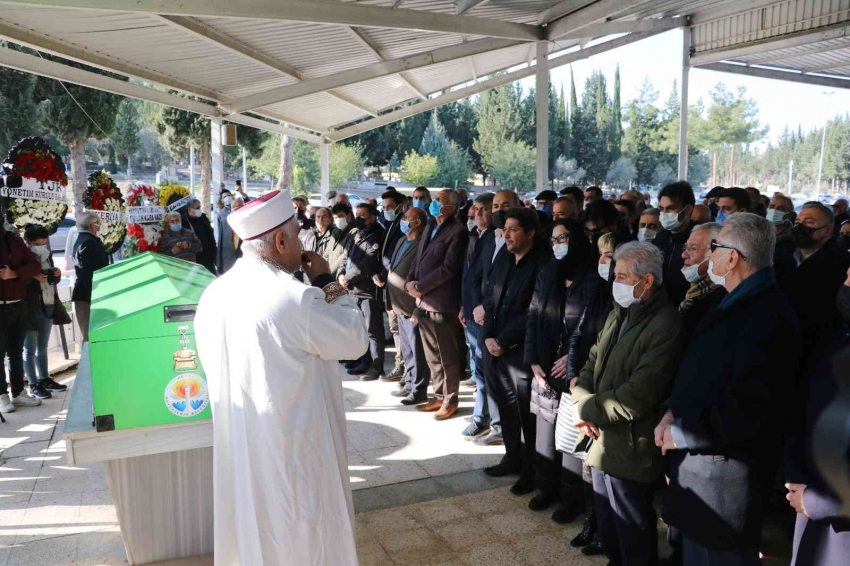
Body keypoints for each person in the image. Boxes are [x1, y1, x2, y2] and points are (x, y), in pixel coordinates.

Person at [194, 189, 368, 566]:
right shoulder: (297, 297)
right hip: (292, 448)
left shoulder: (214, 294)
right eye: (297, 235)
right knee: (302, 535)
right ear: (281, 239)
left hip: (243, 442)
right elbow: (355, 338)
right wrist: (326, 279)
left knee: (252, 533)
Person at [659, 213, 801, 566]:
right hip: (699, 475)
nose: (710, 256)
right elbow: (697, 373)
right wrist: (671, 412)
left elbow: (749, 409)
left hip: (723, 487)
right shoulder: (728, 300)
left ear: (733, 256)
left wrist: (681, 432)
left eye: (715, 248)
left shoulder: (769, 317)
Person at [573, 241, 685, 566]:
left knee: (632, 529)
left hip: (631, 447)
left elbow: (638, 396)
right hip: (600, 438)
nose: (615, 282)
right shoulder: (618, 313)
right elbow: (591, 362)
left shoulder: (666, 324)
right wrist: (583, 403)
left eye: (622, 276)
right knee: (609, 525)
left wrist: (585, 410)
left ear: (646, 281)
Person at [525, 218, 596, 517]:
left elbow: (593, 327)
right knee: (544, 436)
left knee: (568, 442)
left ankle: (571, 500)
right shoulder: (547, 271)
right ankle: (546, 488)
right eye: (554, 239)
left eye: (564, 238)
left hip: (571, 371)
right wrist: (532, 360)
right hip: (543, 366)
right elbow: (533, 315)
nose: (558, 244)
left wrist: (572, 358)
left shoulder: (592, 278)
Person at [481, 208, 552, 495]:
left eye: (513, 230)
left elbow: (535, 310)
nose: (506, 235)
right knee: (506, 410)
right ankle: (512, 458)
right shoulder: (505, 258)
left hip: (520, 351)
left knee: (526, 414)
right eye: (505, 230)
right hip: (494, 347)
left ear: (530, 233)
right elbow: (489, 297)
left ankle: (532, 471)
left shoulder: (542, 263)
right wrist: (487, 336)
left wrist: (504, 339)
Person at [568, 232, 617, 557]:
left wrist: (591, 404)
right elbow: (581, 338)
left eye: (610, 256)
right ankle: (592, 523)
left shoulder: (626, 301)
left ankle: (605, 532)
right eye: (600, 255)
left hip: (606, 399)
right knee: (587, 466)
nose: (604, 262)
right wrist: (575, 382)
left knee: (606, 473)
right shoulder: (598, 293)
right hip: (585, 392)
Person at [406, 189, 467, 420]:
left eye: (440, 201)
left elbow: (449, 269)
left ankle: (451, 400)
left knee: (447, 355)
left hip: (442, 303)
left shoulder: (458, 231)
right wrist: (411, 281)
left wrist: (421, 286)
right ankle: (439, 395)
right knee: (432, 355)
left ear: (452, 207)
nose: (434, 203)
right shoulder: (431, 225)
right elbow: (418, 258)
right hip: (423, 303)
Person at [471, 189, 521, 446]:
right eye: (497, 206)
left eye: (506, 205)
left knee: (505, 385)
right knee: (485, 374)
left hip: (504, 324)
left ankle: (503, 429)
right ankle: (494, 425)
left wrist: (486, 309)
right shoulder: (489, 237)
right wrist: (473, 306)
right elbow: (477, 275)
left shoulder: (521, 243)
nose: (500, 210)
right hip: (482, 318)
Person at [460, 193, 496, 438]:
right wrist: (464, 305)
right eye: (476, 210)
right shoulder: (475, 235)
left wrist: (482, 307)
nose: (479, 214)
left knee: (486, 369)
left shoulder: (496, 237)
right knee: (478, 367)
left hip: (486, 313)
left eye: (485, 210)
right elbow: (468, 275)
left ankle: (484, 418)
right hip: (471, 311)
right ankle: (482, 416)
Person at [386, 207, 430, 405]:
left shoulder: (422, 244)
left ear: (417, 222)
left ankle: (419, 388)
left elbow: (421, 275)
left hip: (411, 306)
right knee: (407, 349)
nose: (402, 220)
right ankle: (410, 383)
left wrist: (417, 308)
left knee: (417, 349)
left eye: (406, 217)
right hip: (397, 304)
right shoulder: (402, 240)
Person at [338, 203, 385, 382]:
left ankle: (376, 365)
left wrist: (347, 278)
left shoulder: (376, 235)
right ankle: (364, 361)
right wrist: (342, 274)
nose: (358, 217)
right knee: (360, 330)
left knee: (372, 330)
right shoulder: (357, 233)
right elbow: (347, 257)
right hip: (353, 290)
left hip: (367, 290)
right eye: (357, 214)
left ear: (372, 217)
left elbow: (366, 263)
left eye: (363, 215)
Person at [0, 222, 43, 413]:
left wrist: (14, 274)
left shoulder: (14, 241)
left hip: (18, 304)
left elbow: (34, 265)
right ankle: (2, 396)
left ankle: (18, 393)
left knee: (16, 351)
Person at [22, 225, 68, 400]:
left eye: (44, 242)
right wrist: (33, 277)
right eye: (37, 243)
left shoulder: (47, 255)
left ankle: (44, 379)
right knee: (29, 348)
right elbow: (18, 279)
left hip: (48, 303)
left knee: (42, 347)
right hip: (30, 307)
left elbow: (53, 279)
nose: (42, 245)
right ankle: (33, 384)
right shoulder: (23, 256)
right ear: (28, 241)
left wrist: (55, 274)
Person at [376, 191, 406, 383]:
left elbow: (397, 258)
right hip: (387, 283)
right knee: (395, 328)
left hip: (400, 285)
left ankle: (404, 366)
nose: (386, 210)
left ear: (399, 207)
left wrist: (384, 273)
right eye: (384, 207)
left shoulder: (403, 227)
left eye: (389, 207)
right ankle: (401, 363)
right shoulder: (387, 225)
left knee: (402, 329)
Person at [678, 222, 726, 337]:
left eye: (692, 248)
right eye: (686, 248)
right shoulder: (695, 291)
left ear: (717, 253)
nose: (684, 255)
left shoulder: (721, 299)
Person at [652, 181, 697, 305]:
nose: (665, 214)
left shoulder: (699, 241)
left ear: (687, 209)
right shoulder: (659, 239)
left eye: (671, 208)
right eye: (661, 209)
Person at [72, 212, 109, 344]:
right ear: (93, 226)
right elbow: (90, 272)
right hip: (88, 296)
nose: (100, 226)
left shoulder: (83, 239)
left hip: (86, 294)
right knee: (91, 338)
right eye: (98, 223)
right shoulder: (89, 243)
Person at [187, 198, 217, 275]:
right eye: (197, 208)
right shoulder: (186, 222)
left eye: (199, 207)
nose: (199, 210)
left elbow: (211, 237)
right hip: (194, 259)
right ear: (190, 210)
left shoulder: (203, 219)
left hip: (208, 257)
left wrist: (214, 254)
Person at [328, 203, 357, 278]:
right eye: (335, 217)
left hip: (340, 274)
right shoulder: (335, 231)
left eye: (340, 216)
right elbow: (327, 252)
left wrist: (329, 271)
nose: (338, 219)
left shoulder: (354, 231)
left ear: (349, 216)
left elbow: (344, 255)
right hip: (329, 273)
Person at [215, 191, 238, 274]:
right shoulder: (221, 214)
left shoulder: (239, 210)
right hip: (227, 250)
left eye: (229, 195)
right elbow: (220, 235)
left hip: (240, 249)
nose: (227, 198)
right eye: (225, 197)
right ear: (222, 200)